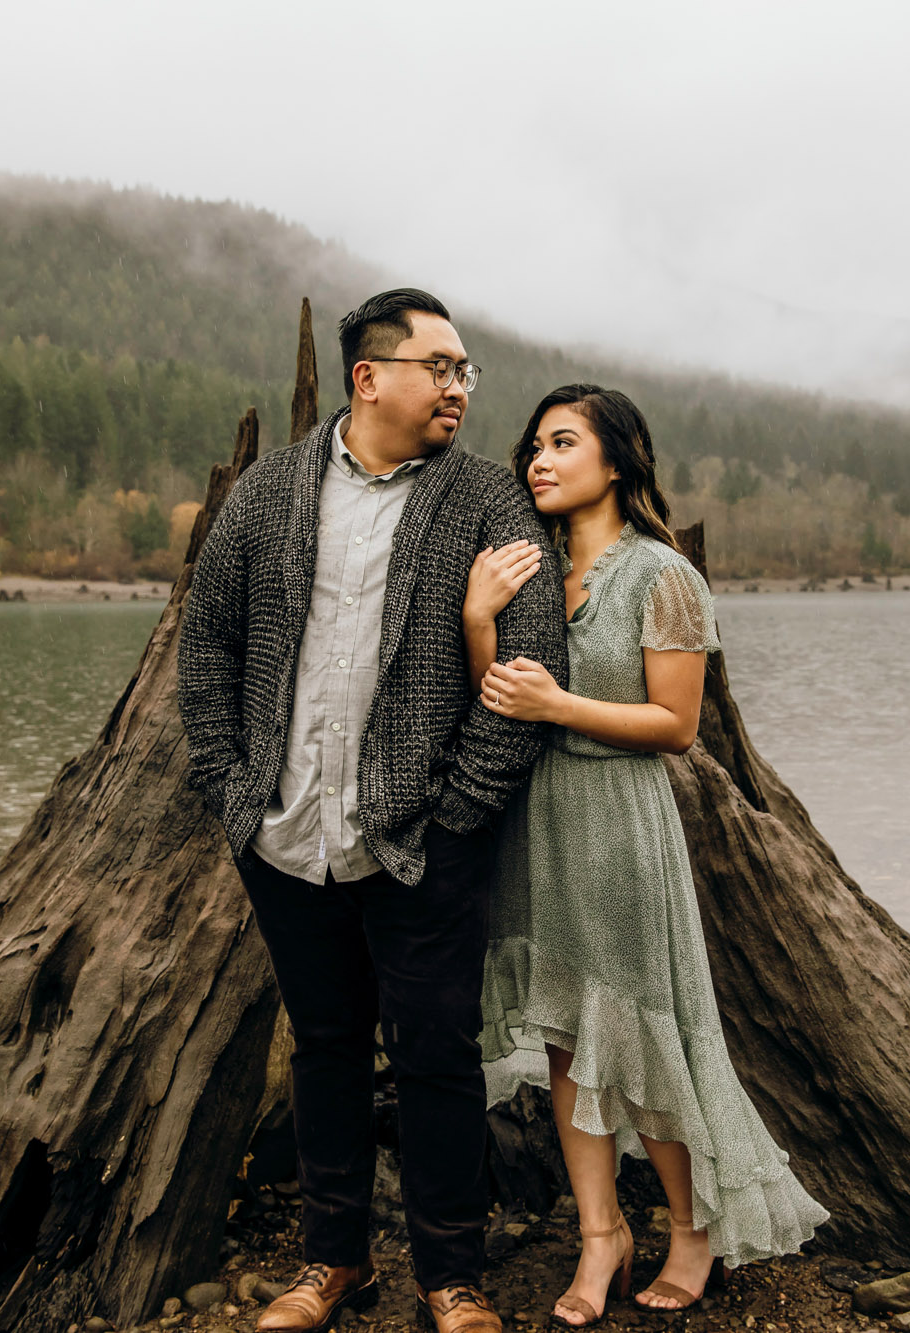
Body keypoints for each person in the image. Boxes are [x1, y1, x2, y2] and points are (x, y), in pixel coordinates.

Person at [176, 289, 568, 1333]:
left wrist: (460, 813)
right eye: (439, 367)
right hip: (285, 831)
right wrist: (232, 792)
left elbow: (531, 660)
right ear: (367, 377)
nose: (458, 386)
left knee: (438, 1051)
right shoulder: (269, 491)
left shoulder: (486, 497)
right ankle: (331, 1263)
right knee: (326, 1047)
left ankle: (452, 1273)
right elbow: (206, 642)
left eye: (464, 371)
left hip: (421, 843)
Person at [462, 385, 827, 1328]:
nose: (538, 459)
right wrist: (476, 619)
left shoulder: (662, 575)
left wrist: (562, 708)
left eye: (563, 442)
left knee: (646, 1033)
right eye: (533, 444)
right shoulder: (524, 568)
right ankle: (600, 1235)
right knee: (565, 1036)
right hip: (532, 822)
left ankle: (692, 1229)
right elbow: (496, 698)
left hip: (619, 825)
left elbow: (675, 725)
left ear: (617, 461)